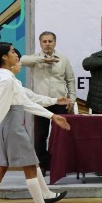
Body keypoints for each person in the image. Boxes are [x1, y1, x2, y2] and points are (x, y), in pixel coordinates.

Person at [0, 42, 71, 203]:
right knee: (30, 167)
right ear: (4, 57)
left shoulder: (6, 77)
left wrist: (52, 114)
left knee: (1, 167)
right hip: (12, 127)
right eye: (12, 52)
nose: (16, 55)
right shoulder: (6, 79)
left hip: (7, 126)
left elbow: (26, 102)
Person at [20, 31, 76, 175]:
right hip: (41, 103)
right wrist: (43, 60)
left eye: (50, 41)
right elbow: (21, 60)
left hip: (60, 102)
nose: (47, 44)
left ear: (55, 43)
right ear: (40, 43)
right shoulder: (35, 59)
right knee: (40, 136)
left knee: (61, 135)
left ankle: (61, 164)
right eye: (44, 41)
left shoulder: (63, 59)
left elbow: (70, 80)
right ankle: (42, 165)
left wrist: (72, 99)